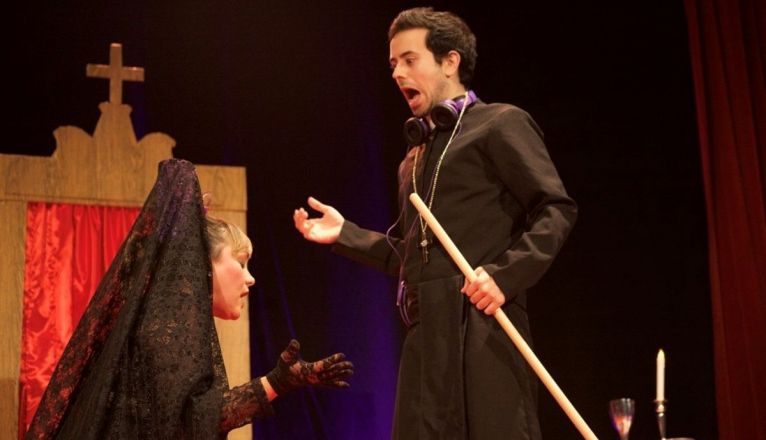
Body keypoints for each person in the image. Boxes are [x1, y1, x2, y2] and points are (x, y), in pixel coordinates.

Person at [293, 7, 576, 439]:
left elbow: (556, 208)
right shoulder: (414, 159)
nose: (397, 73)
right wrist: (346, 234)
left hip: (483, 327)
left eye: (410, 60)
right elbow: (414, 256)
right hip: (426, 338)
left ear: (450, 61)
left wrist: (505, 276)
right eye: (393, 64)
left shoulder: (500, 124)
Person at [26, 158, 354, 439]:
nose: (250, 278)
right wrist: (277, 382)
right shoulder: (163, 332)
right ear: (202, 265)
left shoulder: (162, 326)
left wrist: (279, 382)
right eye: (240, 263)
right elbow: (195, 422)